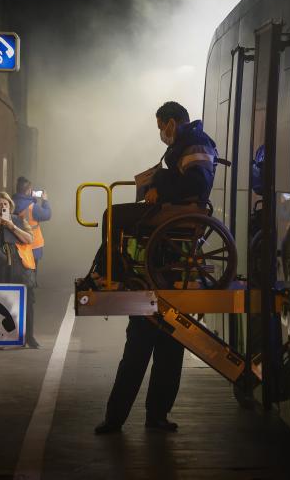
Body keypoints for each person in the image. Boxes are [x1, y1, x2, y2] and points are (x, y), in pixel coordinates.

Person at [94, 101, 218, 435]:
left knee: (113, 216)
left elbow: (196, 184)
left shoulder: (196, 144)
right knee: (148, 353)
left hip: (177, 221)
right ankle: (131, 417)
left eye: (162, 125)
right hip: (159, 270)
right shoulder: (184, 145)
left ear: (173, 122)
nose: (161, 133)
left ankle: (105, 270)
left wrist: (159, 187)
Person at [0, 192, 37, 345]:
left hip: (20, 267)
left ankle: (29, 337)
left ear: (10, 205)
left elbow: (29, 239)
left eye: (5, 204)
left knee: (27, 301)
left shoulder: (20, 220)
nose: (3, 206)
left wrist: (12, 226)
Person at [13, 177, 51, 348]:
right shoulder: (32, 207)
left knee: (17, 290)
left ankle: (16, 333)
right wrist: (45, 201)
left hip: (15, 252)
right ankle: (27, 336)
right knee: (29, 291)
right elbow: (47, 214)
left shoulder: (12, 204)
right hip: (32, 251)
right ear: (29, 191)